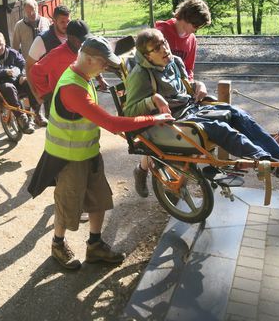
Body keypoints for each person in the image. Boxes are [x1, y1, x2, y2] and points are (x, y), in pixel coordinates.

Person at [28, 36, 173, 270]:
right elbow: (112, 124)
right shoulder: (73, 88)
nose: (107, 67)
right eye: (103, 63)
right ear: (88, 59)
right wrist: (154, 118)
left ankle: (95, 246)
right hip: (68, 158)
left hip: (87, 151)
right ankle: (57, 244)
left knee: (99, 199)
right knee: (68, 204)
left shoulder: (84, 74)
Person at [124, 28, 279, 197]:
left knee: (236, 113)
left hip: (192, 109)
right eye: (157, 48)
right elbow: (129, 112)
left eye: (164, 42)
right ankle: (272, 165)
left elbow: (184, 87)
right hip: (171, 121)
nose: (165, 49)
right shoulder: (140, 75)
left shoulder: (175, 62)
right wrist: (153, 99)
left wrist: (198, 85)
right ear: (147, 56)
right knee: (219, 128)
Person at [28, 20, 108, 112]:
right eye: (81, 41)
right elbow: (35, 72)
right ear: (71, 38)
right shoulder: (57, 54)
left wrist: (100, 79)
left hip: (80, 98)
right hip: (62, 105)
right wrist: (48, 94)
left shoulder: (84, 50)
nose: (84, 44)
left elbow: (93, 63)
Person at [0, 31, 37, 135]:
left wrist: (22, 75)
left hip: (16, 81)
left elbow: (24, 64)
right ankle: (21, 117)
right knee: (8, 87)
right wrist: (3, 72)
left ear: (5, 42)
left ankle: (34, 114)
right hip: (0, 86)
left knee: (28, 81)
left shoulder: (12, 53)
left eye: (1, 44)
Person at [26, 5, 71, 124]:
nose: (66, 25)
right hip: (53, 96)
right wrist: (36, 93)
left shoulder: (73, 36)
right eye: (62, 22)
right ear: (54, 21)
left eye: (68, 21)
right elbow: (29, 67)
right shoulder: (42, 40)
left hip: (72, 92)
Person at [12, 0, 51, 126]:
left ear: (37, 8)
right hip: (29, 63)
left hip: (45, 62)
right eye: (27, 12)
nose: (30, 14)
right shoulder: (19, 25)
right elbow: (15, 47)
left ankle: (47, 114)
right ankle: (36, 114)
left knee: (46, 87)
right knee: (31, 88)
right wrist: (19, 66)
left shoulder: (45, 22)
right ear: (24, 11)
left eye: (32, 11)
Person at [155, 0, 211, 80]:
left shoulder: (192, 40)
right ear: (187, 18)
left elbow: (188, 69)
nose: (195, 30)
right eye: (195, 26)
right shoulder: (160, 33)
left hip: (180, 85)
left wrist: (190, 85)